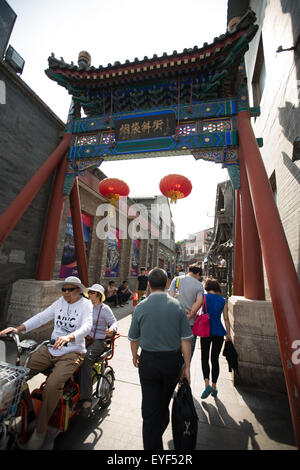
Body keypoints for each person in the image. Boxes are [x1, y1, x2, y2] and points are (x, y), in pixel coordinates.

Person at [0, 276, 92, 450]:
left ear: (79, 290)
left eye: (70, 289)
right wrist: (18, 329)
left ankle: (40, 430)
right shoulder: (59, 302)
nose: (66, 293)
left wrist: (69, 337)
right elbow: (42, 317)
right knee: (19, 373)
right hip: (50, 349)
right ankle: (23, 412)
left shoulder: (85, 304)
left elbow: (87, 326)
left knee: (52, 385)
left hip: (72, 352)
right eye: (63, 289)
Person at [128, 268, 193, 450]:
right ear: (167, 284)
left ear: (148, 284)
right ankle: (157, 432)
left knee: (149, 409)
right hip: (172, 363)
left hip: (148, 362)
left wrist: (135, 355)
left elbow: (133, 338)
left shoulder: (141, 306)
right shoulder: (178, 305)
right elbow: (185, 340)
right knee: (163, 403)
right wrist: (186, 366)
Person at [78, 284, 118, 416]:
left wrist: (111, 330)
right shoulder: (84, 306)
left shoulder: (104, 309)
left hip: (99, 341)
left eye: (92, 293)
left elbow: (114, 322)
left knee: (86, 359)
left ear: (99, 295)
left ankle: (86, 399)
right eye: (89, 293)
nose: (89, 295)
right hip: (84, 338)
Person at [200, 278, 232, 399]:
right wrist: (228, 333)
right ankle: (214, 386)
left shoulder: (203, 298)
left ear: (207, 287)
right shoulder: (223, 300)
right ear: (217, 288)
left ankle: (207, 384)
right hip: (218, 331)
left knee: (204, 357)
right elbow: (226, 319)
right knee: (214, 359)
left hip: (205, 330)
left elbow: (196, 310)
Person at [168, 263, 204, 356]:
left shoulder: (176, 280)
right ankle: (185, 368)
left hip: (174, 321)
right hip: (190, 323)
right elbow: (199, 302)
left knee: (173, 350)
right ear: (198, 274)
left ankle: (175, 369)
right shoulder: (199, 285)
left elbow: (170, 298)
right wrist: (190, 314)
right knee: (188, 351)